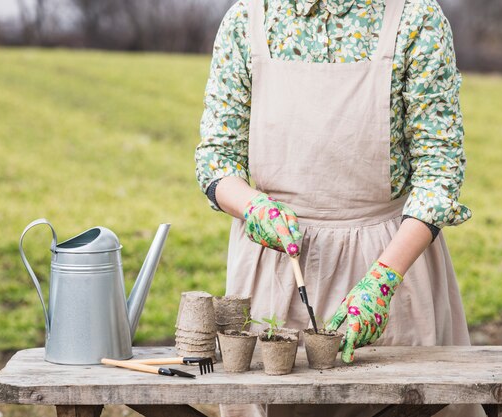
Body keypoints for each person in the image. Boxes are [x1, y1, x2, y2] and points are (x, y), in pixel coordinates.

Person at [195, 0, 486, 416]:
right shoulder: (248, 20)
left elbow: (439, 173)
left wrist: (382, 285)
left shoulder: (415, 19)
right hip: (275, 268)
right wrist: (252, 207)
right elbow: (216, 159)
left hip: (393, 264)